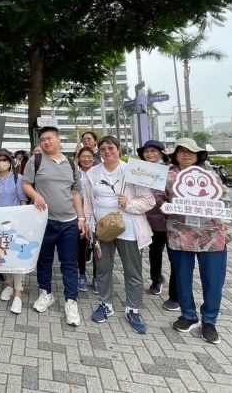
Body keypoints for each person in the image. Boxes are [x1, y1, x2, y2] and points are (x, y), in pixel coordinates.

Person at [84, 136, 154, 334]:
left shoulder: (132, 171)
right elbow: (88, 201)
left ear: (119, 150)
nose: (107, 152)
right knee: (103, 268)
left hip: (129, 229)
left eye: (111, 148)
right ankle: (105, 304)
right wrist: (89, 223)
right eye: (103, 149)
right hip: (102, 228)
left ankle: (133, 308)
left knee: (133, 270)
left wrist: (129, 204)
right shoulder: (92, 173)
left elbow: (148, 200)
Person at [166, 138, 231, 344]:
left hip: (211, 234)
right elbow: (157, 198)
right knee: (182, 277)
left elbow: (225, 200)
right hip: (180, 233)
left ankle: (210, 321)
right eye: (181, 151)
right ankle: (188, 315)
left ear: (198, 155)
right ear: (175, 154)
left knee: (213, 281)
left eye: (190, 152)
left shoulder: (209, 174)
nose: (186, 155)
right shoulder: (167, 175)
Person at [22, 127, 86, 326]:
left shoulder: (70, 164)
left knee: (69, 262)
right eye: (43, 139)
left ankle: (71, 301)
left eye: (49, 138)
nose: (46, 142)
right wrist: (35, 195)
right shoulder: (36, 161)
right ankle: (45, 293)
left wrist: (81, 219)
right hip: (44, 220)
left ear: (59, 140)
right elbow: (26, 184)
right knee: (44, 259)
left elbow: (76, 193)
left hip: (69, 222)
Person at [137, 140, 180, 310]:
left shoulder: (171, 171)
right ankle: (156, 280)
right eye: (146, 151)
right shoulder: (139, 171)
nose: (149, 154)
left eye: (154, 151)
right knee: (154, 253)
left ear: (162, 153)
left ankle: (175, 294)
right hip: (150, 220)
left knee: (174, 257)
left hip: (170, 220)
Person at [0, 149, 27, 314]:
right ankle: (8, 284)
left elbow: (22, 200)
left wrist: (21, 222)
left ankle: (18, 293)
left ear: (9, 161)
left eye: (4, 160)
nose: (1, 163)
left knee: (16, 256)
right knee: (3, 255)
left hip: (15, 223)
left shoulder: (17, 178)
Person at [75, 147, 96, 294]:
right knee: (80, 247)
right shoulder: (75, 173)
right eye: (83, 156)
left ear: (93, 158)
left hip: (97, 215)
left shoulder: (98, 172)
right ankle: (81, 275)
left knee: (98, 248)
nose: (86, 159)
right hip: (79, 214)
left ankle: (97, 278)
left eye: (89, 156)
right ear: (79, 158)